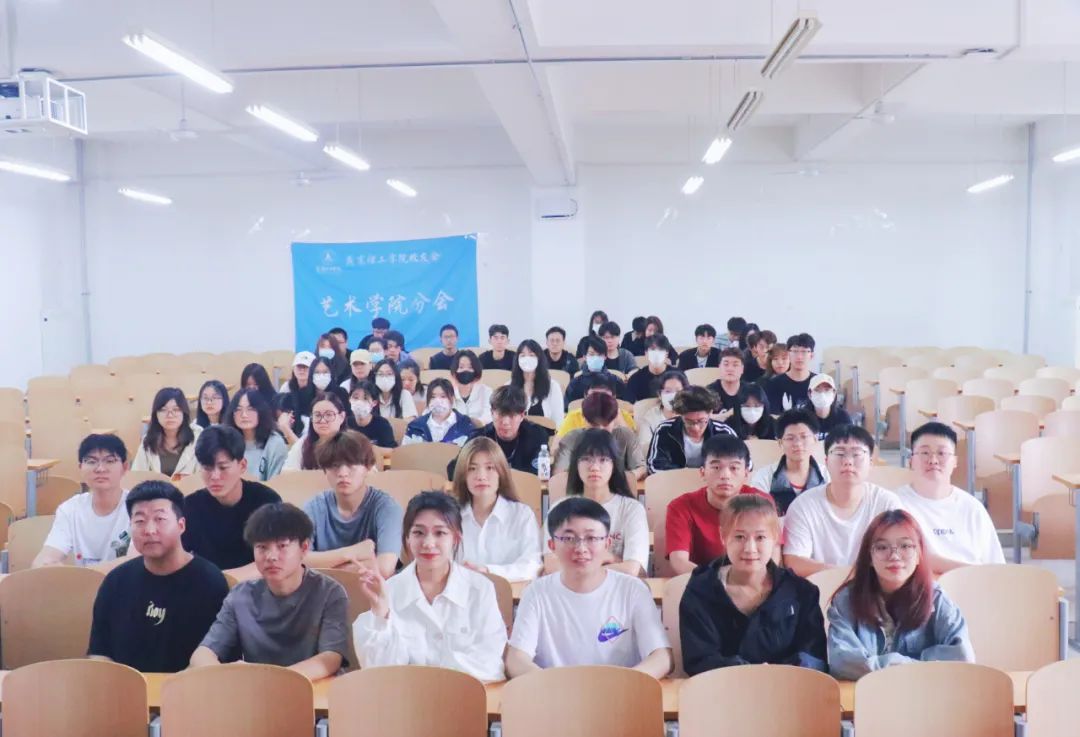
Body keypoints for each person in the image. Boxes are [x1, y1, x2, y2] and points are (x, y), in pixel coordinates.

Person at [505, 497, 672, 678]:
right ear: (552, 545)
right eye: (569, 538)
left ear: (607, 544)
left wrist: (623, 684)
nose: (581, 548)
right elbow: (516, 659)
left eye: (591, 538)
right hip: (555, 691)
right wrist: (553, 685)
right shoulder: (536, 593)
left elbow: (662, 657)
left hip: (620, 691)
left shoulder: (633, 590)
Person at [353, 492, 506, 680]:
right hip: (405, 695)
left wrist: (429, 678)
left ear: (456, 538)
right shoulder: (389, 591)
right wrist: (381, 613)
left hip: (464, 694)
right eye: (418, 533)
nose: (428, 543)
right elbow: (378, 672)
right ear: (407, 539)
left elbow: (488, 661)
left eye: (440, 533)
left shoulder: (480, 590)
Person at [190, 503, 350, 678]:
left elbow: (331, 658)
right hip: (258, 690)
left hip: (313, 688)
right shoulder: (240, 596)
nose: (271, 557)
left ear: (304, 548)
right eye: (262, 547)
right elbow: (204, 652)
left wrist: (271, 679)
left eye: (282, 546)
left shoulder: (329, 592)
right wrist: (223, 675)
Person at [88, 481, 229, 672]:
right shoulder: (116, 581)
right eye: (140, 521)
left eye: (160, 519)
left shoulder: (209, 582)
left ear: (181, 525)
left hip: (188, 687)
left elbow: (216, 658)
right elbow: (99, 652)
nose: (149, 530)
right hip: (125, 688)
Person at [680, 494, 826, 674]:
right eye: (739, 537)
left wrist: (774, 674)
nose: (750, 548)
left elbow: (814, 656)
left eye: (760, 537)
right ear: (723, 536)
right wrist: (749, 673)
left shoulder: (801, 592)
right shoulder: (701, 590)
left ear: (775, 537)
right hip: (722, 688)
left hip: (788, 687)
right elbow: (699, 659)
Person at [827, 509, 975, 679]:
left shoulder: (937, 599)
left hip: (924, 693)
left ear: (919, 555)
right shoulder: (846, 600)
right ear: (869, 557)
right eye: (882, 547)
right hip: (867, 694)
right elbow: (841, 661)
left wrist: (900, 666)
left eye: (905, 546)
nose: (894, 556)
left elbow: (962, 657)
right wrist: (909, 665)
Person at [783, 425, 904, 577]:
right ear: (826, 462)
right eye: (839, 453)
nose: (848, 461)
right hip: (821, 586)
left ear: (871, 463)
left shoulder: (887, 504)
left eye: (857, 454)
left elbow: (901, 554)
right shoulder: (804, 505)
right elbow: (794, 561)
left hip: (875, 586)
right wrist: (844, 576)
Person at [897, 422, 1005, 570]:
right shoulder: (895, 503)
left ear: (955, 462)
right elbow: (905, 558)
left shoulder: (972, 507)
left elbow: (995, 566)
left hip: (971, 582)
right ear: (911, 461)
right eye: (925, 453)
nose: (933, 460)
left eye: (942, 453)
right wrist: (966, 571)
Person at [544, 429, 649, 576]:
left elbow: (632, 570)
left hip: (616, 587)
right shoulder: (559, 509)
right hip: (571, 587)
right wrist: (609, 559)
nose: (594, 467)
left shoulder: (632, 509)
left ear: (614, 465)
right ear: (576, 464)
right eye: (586, 459)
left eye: (603, 460)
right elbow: (551, 566)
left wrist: (581, 566)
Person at [665, 436, 775, 575]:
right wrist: (720, 582)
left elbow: (773, 555)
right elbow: (679, 562)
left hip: (754, 582)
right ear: (702, 472)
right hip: (700, 583)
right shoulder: (681, 506)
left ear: (746, 473)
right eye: (716, 467)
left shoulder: (761, 502)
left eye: (734, 468)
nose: (725, 475)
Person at [183, 425, 282, 579]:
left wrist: (221, 579)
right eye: (207, 468)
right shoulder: (190, 506)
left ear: (242, 465)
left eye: (223, 467)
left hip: (257, 585)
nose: (215, 476)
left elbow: (274, 558)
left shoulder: (266, 501)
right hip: (205, 587)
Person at [305, 431, 403, 577]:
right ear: (324, 470)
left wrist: (321, 566)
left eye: (351, 464)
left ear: (368, 467)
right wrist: (351, 553)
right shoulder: (314, 507)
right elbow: (299, 560)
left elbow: (384, 569)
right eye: (335, 465)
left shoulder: (387, 507)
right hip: (322, 590)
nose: (343, 473)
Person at [34, 433, 134, 569]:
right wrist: (46, 565)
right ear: (80, 467)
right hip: (82, 582)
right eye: (91, 461)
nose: (100, 469)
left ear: (125, 467)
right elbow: (44, 560)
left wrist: (82, 574)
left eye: (110, 461)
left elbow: (136, 562)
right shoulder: (70, 509)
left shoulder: (137, 508)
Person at [451, 438, 541, 581]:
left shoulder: (521, 514)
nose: (481, 476)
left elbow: (532, 565)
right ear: (463, 476)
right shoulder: (451, 517)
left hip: (511, 594)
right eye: (472, 469)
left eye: (490, 468)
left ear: (501, 473)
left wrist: (488, 571)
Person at [448, 386, 551, 476]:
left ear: (522, 415)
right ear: (492, 413)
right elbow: (454, 470)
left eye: (512, 416)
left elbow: (540, 474)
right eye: (501, 415)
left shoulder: (537, 435)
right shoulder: (479, 438)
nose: (505, 422)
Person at [750, 410, 829, 514]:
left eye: (804, 437)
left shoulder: (827, 476)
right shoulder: (764, 477)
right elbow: (756, 514)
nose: (798, 443)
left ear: (815, 439)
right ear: (780, 443)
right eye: (790, 438)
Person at [555, 392, 646, 481]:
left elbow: (641, 469)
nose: (600, 429)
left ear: (615, 419)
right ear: (584, 418)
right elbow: (559, 474)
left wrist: (617, 480)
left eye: (605, 424)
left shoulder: (625, 435)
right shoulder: (572, 438)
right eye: (594, 424)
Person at [646, 386, 736, 473]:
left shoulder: (724, 433)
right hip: (675, 481)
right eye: (689, 422)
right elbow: (654, 466)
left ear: (710, 413)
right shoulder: (665, 430)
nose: (695, 428)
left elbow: (739, 465)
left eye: (701, 421)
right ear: (680, 415)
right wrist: (686, 475)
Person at [133, 387, 202, 477]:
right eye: (163, 410)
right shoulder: (148, 440)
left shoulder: (198, 437)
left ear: (184, 412)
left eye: (176, 409)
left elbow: (204, 475)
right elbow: (137, 475)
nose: (170, 415)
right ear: (155, 414)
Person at [224, 388, 288, 481]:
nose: (244, 415)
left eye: (250, 409)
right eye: (238, 409)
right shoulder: (226, 442)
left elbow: (277, 483)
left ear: (260, 412)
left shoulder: (275, 443)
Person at [282, 391, 348, 472]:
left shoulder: (352, 444)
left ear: (342, 417)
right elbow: (288, 474)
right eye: (317, 415)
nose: (322, 421)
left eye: (329, 415)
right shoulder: (302, 445)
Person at [558, 372, 635, 436]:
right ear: (585, 396)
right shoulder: (573, 417)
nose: (599, 401)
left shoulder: (624, 416)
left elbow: (633, 444)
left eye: (604, 397)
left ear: (613, 398)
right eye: (594, 396)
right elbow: (556, 447)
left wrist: (619, 419)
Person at [508, 338, 565, 426]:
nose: (527, 359)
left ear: (539, 359)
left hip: (545, 433)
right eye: (523, 355)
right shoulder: (508, 386)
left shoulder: (553, 386)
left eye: (531, 355)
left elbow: (558, 421)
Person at [403, 378, 475, 446]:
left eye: (443, 396)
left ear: (452, 398)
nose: (438, 401)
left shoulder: (465, 424)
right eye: (433, 397)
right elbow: (406, 450)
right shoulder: (415, 426)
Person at [564, 336, 629, 406]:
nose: (596, 358)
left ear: (605, 357)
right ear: (585, 357)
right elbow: (567, 408)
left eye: (599, 354)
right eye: (591, 354)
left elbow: (625, 406)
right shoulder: (575, 383)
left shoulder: (615, 381)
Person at [636, 369, 688, 454]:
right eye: (668, 391)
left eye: (678, 391)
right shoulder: (650, 417)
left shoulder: (693, 414)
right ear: (660, 395)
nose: (673, 396)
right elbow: (644, 448)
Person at [765, 333, 816, 412]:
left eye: (804, 351)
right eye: (795, 351)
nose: (799, 357)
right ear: (788, 354)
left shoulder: (818, 383)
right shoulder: (774, 384)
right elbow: (772, 415)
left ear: (812, 355)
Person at [348, 381, 397, 448]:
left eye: (365, 399)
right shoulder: (346, 423)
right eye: (355, 398)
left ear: (374, 403)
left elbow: (390, 451)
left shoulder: (382, 425)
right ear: (349, 400)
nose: (359, 402)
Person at [626, 334, 673, 402]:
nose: (656, 354)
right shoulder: (635, 378)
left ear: (667, 353)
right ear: (646, 353)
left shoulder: (678, 376)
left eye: (661, 350)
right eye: (653, 349)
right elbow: (629, 404)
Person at [705, 347, 748, 420]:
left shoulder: (752, 391)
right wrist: (727, 414)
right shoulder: (708, 392)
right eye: (726, 364)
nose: (730, 369)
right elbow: (702, 419)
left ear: (742, 369)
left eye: (735, 365)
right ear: (719, 367)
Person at [450, 350, 493, 423]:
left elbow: (488, 416)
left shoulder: (487, 391)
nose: (465, 370)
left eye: (470, 367)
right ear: (455, 371)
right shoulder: (448, 393)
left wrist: (472, 424)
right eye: (461, 367)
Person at [808, 373, 852, 439]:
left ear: (834, 393)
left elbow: (849, 441)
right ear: (809, 394)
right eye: (817, 390)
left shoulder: (843, 417)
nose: (822, 395)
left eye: (827, 390)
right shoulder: (803, 418)